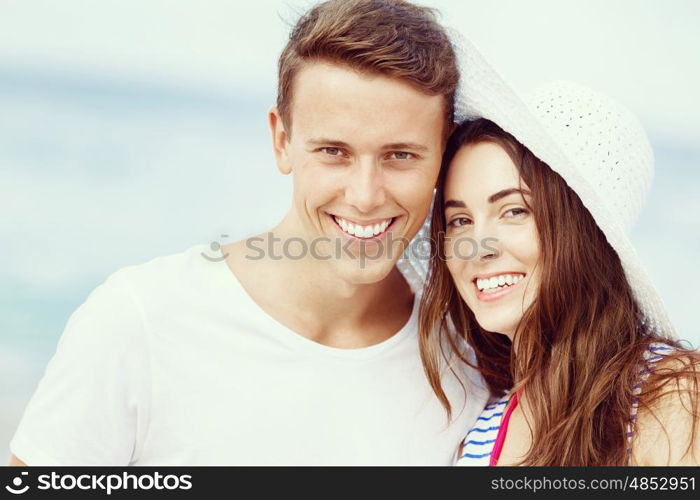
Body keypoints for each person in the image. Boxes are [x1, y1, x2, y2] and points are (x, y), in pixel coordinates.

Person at [8, 0, 488, 466]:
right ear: (281, 140)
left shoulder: (469, 358)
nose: (365, 196)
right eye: (333, 152)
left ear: (443, 157)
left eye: (400, 155)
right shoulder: (140, 321)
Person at [416, 37, 700, 466]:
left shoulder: (671, 395)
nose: (477, 248)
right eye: (460, 220)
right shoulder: (478, 435)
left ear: (580, 230)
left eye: (513, 210)